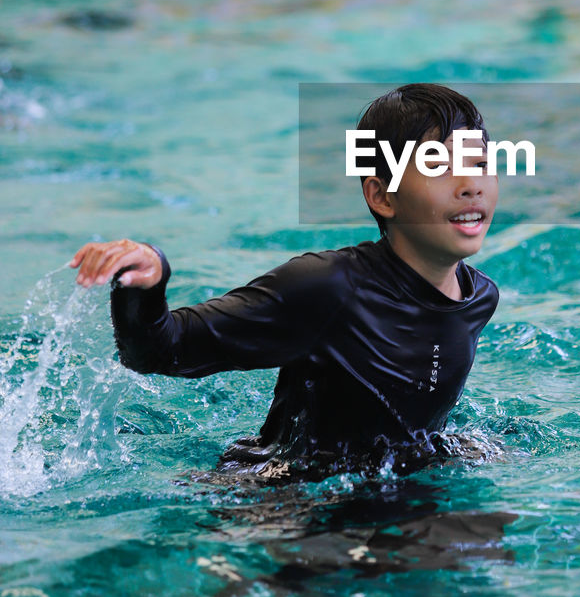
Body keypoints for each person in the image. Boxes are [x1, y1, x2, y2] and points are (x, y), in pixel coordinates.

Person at [69, 84, 500, 480]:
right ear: (382, 196)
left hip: (388, 486)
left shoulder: (479, 297)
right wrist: (146, 282)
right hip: (285, 502)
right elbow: (157, 351)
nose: (471, 186)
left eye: (480, 164)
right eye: (439, 167)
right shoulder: (328, 288)